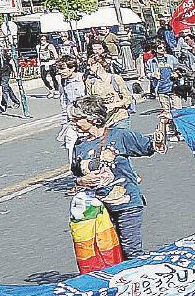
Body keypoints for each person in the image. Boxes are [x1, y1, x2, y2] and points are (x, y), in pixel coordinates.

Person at [69, 96, 170, 260]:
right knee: (109, 253)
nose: (73, 122)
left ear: (93, 119)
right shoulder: (79, 145)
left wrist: (163, 125)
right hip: (99, 209)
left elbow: (153, 146)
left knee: (131, 251)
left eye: (77, 118)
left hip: (127, 204)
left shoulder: (119, 136)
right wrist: (82, 181)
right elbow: (76, 176)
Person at [85, 51, 135, 126]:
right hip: (104, 121)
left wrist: (112, 105)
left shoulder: (115, 78)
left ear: (98, 64)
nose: (88, 67)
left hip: (120, 117)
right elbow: (90, 101)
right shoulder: (90, 82)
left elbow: (127, 98)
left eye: (90, 65)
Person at [56, 56, 88, 153]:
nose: (60, 72)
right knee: (70, 144)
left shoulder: (83, 79)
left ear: (72, 68)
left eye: (62, 69)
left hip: (86, 119)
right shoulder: (63, 81)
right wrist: (64, 121)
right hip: (72, 119)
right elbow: (64, 102)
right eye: (59, 69)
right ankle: (73, 166)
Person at [0, 45, 24, 116]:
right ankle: (16, 101)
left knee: (4, 88)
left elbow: (12, 62)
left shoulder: (3, 54)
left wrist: (15, 73)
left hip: (5, 72)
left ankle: (3, 104)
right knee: (6, 87)